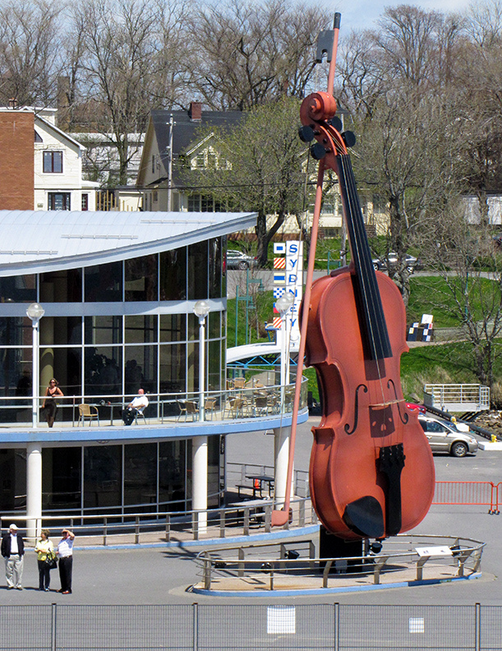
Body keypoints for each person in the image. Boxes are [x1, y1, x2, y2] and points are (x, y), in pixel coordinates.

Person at [1, 524, 24, 589]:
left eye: (16, 530)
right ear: (10, 530)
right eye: (14, 530)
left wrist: (21, 552)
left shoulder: (19, 537)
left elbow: (22, 545)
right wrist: (4, 555)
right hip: (9, 555)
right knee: (9, 571)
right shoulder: (6, 537)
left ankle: (18, 584)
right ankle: (10, 584)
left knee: (19, 571)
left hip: (17, 555)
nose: (15, 531)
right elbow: (3, 547)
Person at [56, 529, 75, 594]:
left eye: (65, 533)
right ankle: (63, 587)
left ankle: (68, 588)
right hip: (61, 558)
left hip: (67, 557)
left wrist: (68, 531)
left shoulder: (69, 539)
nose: (64, 534)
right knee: (62, 574)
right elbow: (60, 548)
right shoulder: (61, 540)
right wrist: (58, 552)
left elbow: (73, 536)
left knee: (67, 574)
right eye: (63, 533)